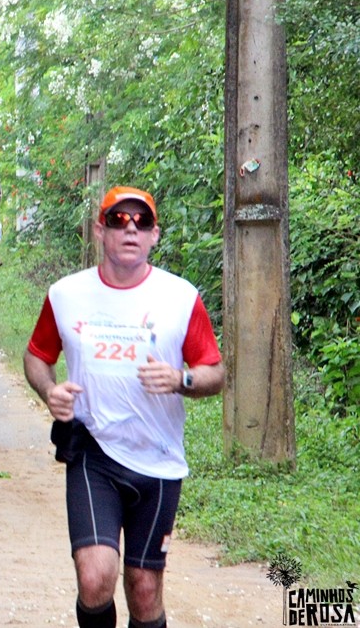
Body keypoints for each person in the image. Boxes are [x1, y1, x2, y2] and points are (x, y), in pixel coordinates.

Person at [22, 186, 225, 628]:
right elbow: (37, 355)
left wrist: (181, 379)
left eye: (142, 222)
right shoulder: (66, 294)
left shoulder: (180, 297)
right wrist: (49, 390)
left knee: (144, 588)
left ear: (154, 235)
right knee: (95, 578)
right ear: (100, 230)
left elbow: (215, 371)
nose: (130, 229)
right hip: (93, 451)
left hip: (159, 460)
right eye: (118, 220)